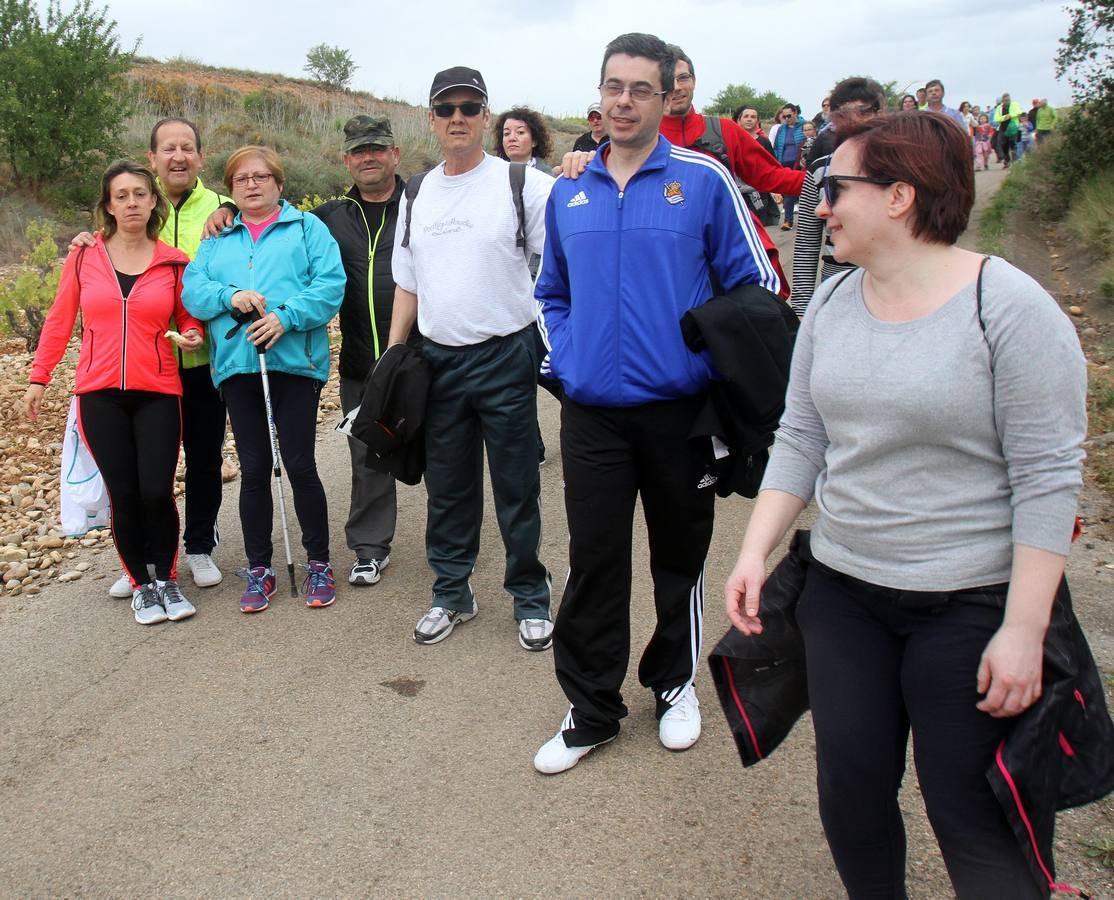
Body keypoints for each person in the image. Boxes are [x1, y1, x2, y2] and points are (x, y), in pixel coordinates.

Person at [724, 111, 1088, 898]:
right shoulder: (833, 302)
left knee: (975, 820)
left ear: (899, 196)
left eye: (837, 188)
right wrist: (755, 550)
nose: (819, 207)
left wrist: (1024, 631)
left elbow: (1049, 480)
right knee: (851, 799)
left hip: (970, 608)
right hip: (846, 596)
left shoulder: (1011, 309)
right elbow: (802, 434)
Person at [532, 32, 780, 775]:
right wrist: (570, 359)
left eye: (642, 88)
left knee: (679, 556)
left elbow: (759, 287)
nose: (625, 101)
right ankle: (591, 709)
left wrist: (697, 353)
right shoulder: (569, 187)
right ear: (599, 94)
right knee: (595, 558)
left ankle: (674, 682)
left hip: (680, 413)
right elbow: (550, 293)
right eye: (614, 86)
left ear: (669, 96)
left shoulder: (701, 180)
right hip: (593, 415)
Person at [388, 66, 554, 650]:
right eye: (446, 108)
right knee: (449, 489)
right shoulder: (417, 192)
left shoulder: (523, 184)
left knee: (515, 485)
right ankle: (451, 593)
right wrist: (394, 355)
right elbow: (406, 282)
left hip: (507, 355)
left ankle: (530, 596)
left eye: (469, 107)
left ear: (486, 116)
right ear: (431, 120)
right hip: (438, 361)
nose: (457, 117)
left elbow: (559, 264)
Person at [25, 160, 205, 625]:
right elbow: (60, 320)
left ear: (152, 201)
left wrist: (191, 334)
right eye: (121, 195)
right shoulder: (84, 256)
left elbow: (187, 317)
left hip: (159, 391)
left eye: (139, 194)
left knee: (156, 490)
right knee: (123, 493)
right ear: (108, 204)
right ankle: (142, 586)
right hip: (98, 394)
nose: (131, 203)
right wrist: (39, 378)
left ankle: (166, 580)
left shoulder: (172, 261)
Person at [72, 118, 231, 598]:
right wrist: (88, 240)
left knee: (203, 459)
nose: (178, 155)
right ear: (154, 158)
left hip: (200, 364)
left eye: (187, 147)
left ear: (201, 157)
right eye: (168, 148)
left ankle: (199, 545)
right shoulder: (131, 212)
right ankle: (139, 561)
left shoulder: (224, 210)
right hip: (140, 369)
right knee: (140, 476)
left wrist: (233, 215)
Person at [183, 146, 345, 613]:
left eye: (261, 177)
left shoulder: (307, 227)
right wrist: (231, 296)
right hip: (237, 363)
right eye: (240, 180)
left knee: (298, 463)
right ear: (230, 189)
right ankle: (259, 568)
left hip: (295, 362)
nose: (252, 185)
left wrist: (286, 317)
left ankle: (318, 563)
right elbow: (194, 289)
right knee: (254, 468)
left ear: (279, 182)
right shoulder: (218, 236)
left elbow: (330, 286)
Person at [658, 47, 803, 285]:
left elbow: (771, 175)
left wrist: (826, 180)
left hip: (726, 250)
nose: (677, 86)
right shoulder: (641, 137)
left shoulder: (723, 131)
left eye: (683, 77)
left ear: (694, 81)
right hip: (669, 255)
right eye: (667, 79)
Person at [789, 77, 886, 315]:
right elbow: (806, 245)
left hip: (892, 283)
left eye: (865, 111)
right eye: (843, 113)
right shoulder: (820, 170)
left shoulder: (901, 168)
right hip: (837, 285)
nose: (855, 120)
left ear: (882, 112)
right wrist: (802, 309)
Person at [770, 104, 805, 229]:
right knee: (788, 191)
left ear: (795, 113)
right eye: (784, 117)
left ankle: (807, 222)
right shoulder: (781, 129)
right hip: (784, 163)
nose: (786, 119)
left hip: (800, 164)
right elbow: (776, 147)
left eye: (789, 116)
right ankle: (788, 220)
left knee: (805, 193)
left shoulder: (804, 126)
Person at [494, 106, 553, 170]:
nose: (511, 138)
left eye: (520, 132)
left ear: (534, 141)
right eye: (506, 133)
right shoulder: (495, 173)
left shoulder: (547, 177)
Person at [994, 92, 1022, 167]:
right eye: (1005, 100)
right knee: (1003, 145)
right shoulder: (999, 108)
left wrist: (1010, 115)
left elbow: (1019, 112)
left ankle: (1015, 161)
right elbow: (996, 118)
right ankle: (1007, 160)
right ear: (1002, 101)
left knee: (1013, 144)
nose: (1007, 101)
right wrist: (1004, 117)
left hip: (1013, 127)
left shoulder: (1015, 104)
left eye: (1008, 100)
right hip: (1003, 128)